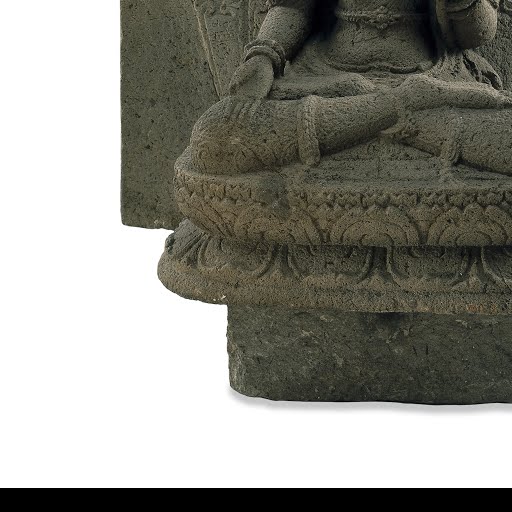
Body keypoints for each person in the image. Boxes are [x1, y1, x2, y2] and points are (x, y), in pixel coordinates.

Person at [188, 0, 512, 176]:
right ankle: (405, 108)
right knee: (217, 136)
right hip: (325, 82)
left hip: (437, 76)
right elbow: (293, 7)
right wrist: (262, 58)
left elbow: (476, 33)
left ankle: (390, 112)